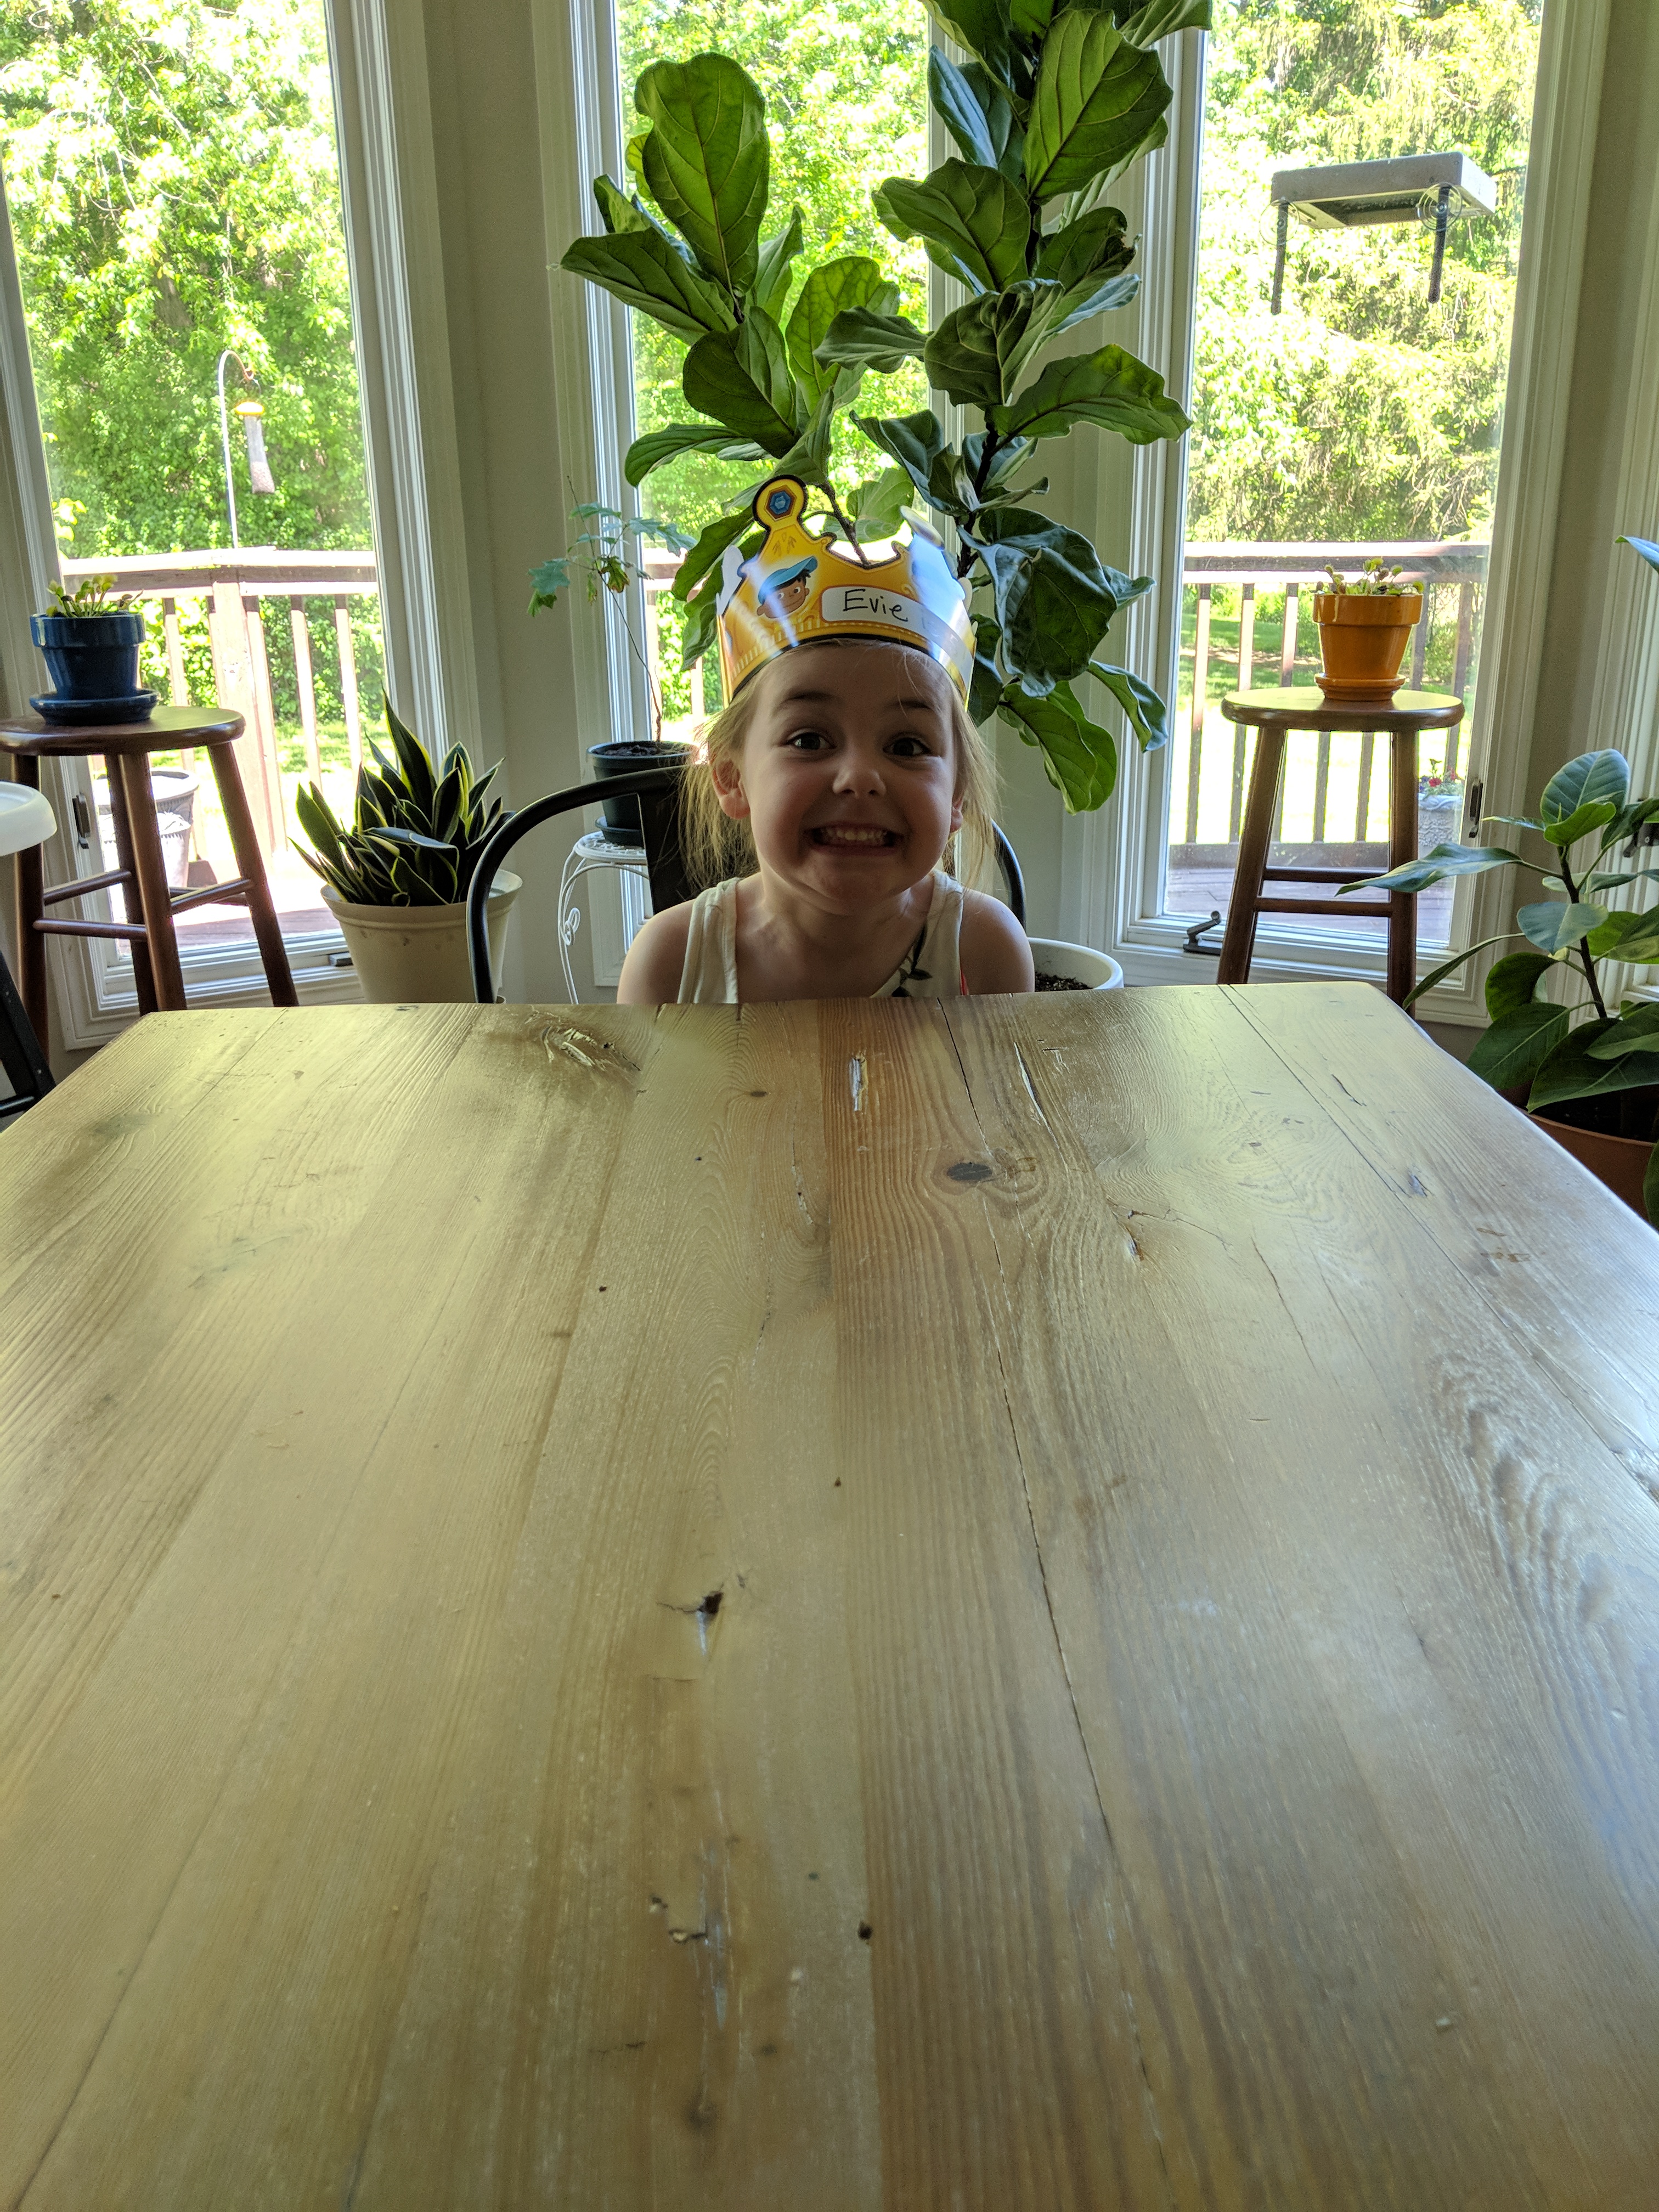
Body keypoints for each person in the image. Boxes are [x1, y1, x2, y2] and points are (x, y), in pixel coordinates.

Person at [618, 478, 1035, 1006]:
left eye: (907, 747)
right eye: (809, 739)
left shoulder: (984, 951)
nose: (859, 776)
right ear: (731, 777)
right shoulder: (671, 965)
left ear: (958, 795)